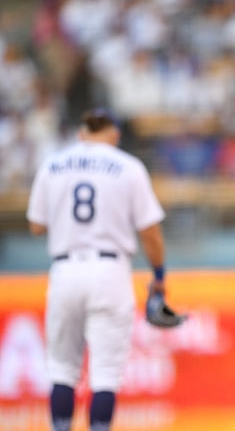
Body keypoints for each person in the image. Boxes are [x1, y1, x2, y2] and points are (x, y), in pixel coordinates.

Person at [26, 108, 169, 431]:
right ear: (114, 135)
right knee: (105, 372)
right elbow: (150, 232)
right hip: (109, 270)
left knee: (62, 369)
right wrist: (159, 275)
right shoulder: (128, 167)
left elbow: (36, 225)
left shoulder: (53, 164)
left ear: (81, 133)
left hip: (65, 268)